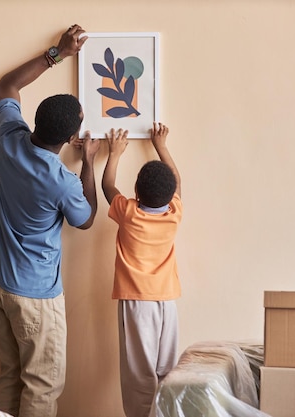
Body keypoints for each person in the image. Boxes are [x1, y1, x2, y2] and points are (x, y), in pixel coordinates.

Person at [0, 24, 100, 417]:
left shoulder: (9, 137)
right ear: (70, 139)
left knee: (10, 376)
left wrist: (58, 53)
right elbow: (86, 219)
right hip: (34, 299)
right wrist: (88, 163)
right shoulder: (62, 182)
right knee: (42, 387)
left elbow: (7, 85)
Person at [101, 123, 182, 417]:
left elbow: (108, 187)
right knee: (166, 371)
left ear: (136, 192)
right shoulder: (175, 213)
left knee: (139, 375)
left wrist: (115, 153)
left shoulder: (129, 212)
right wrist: (161, 145)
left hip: (137, 303)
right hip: (167, 302)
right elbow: (178, 183)